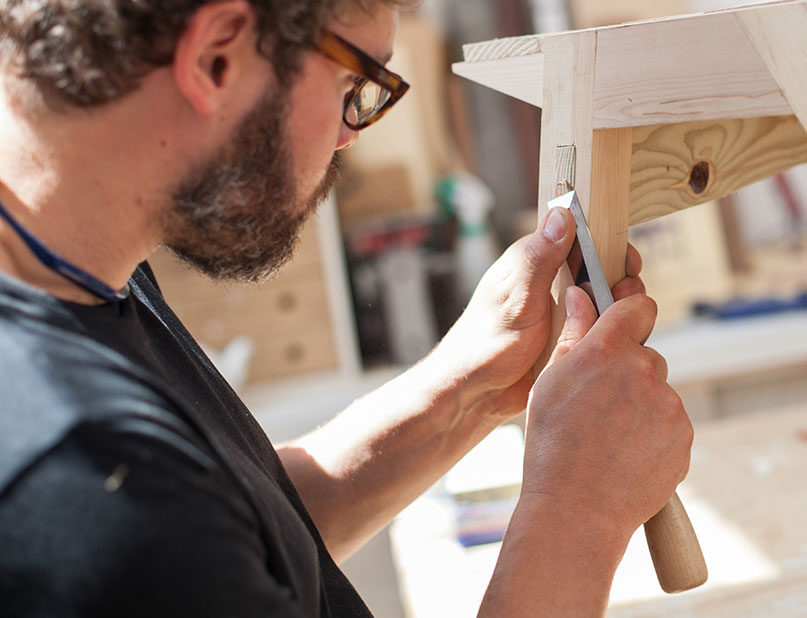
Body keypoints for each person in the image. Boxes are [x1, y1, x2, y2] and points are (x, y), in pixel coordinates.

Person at [0, 1, 693, 616]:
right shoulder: (84, 480)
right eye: (354, 84)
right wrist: (575, 511)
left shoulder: (73, 273)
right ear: (215, 57)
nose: (348, 135)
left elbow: (229, 540)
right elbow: (160, 539)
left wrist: (467, 389)